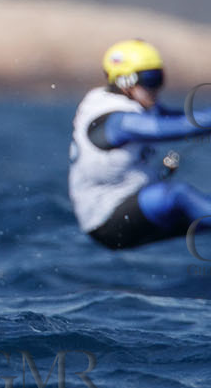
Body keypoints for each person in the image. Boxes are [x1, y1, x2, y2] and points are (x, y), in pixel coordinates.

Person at [69, 39, 211, 249]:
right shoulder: (117, 120)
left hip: (140, 211)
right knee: (178, 195)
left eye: (159, 77)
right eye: (150, 79)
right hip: (109, 225)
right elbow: (180, 127)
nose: (156, 87)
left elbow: (190, 119)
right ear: (125, 81)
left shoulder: (139, 106)